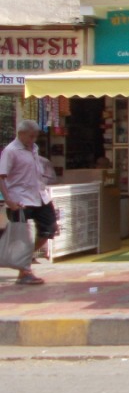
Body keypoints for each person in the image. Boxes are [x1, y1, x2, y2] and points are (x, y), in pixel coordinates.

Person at [0, 120, 57, 285]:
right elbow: (1, 176)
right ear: (21, 134)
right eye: (31, 136)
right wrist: (9, 200)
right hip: (20, 198)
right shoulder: (11, 151)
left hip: (40, 195)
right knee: (23, 235)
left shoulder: (34, 148)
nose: (33, 139)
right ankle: (24, 271)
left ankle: (23, 260)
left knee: (49, 230)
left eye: (35, 136)